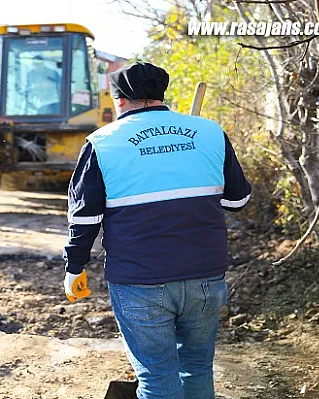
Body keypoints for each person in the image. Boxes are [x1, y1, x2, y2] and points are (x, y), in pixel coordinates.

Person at [62, 62, 251, 399]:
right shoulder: (210, 132)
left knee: (157, 376)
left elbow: (85, 220)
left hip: (140, 282)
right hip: (205, 277)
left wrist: (74, 267)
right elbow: (238, 200)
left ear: (119, 100)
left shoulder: (102, 143)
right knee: (196, 366)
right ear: (161, 94)